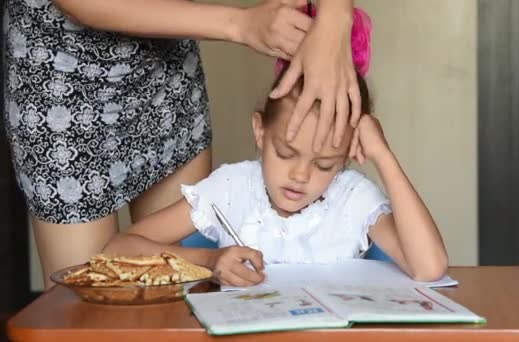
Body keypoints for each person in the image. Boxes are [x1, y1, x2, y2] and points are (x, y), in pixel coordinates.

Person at [4, 0, 362, 288]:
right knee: (82, 303)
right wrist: (240, 25)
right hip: (61, 83)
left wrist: (336, 15)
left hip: (166, 68)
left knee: (176, 295)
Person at [103, 7, 448, 287]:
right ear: (260, 130)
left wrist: (383, 156)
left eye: (325, 164)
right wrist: (209, 261)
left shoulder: (352, 200)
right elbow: (118, 250)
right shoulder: (230, 189)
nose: (300, 175)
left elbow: (429, 267)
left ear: (346, 157)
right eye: (286, 153)